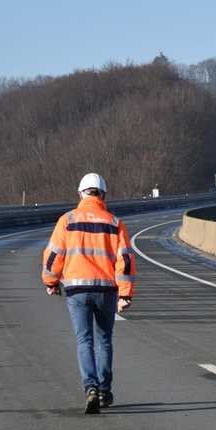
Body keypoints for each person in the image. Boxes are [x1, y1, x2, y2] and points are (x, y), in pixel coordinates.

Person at [42, 173, 136, 414]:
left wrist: (51, 282)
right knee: (104, 340)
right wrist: (125, 294)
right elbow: (124, 260)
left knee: (84, 340)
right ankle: (105, 391)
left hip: (77, 290)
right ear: (103, 194)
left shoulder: (67, 220)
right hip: (106, 290)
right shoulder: (115, 223)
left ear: (81, 193)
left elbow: (54, 255)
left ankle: (91, 388)